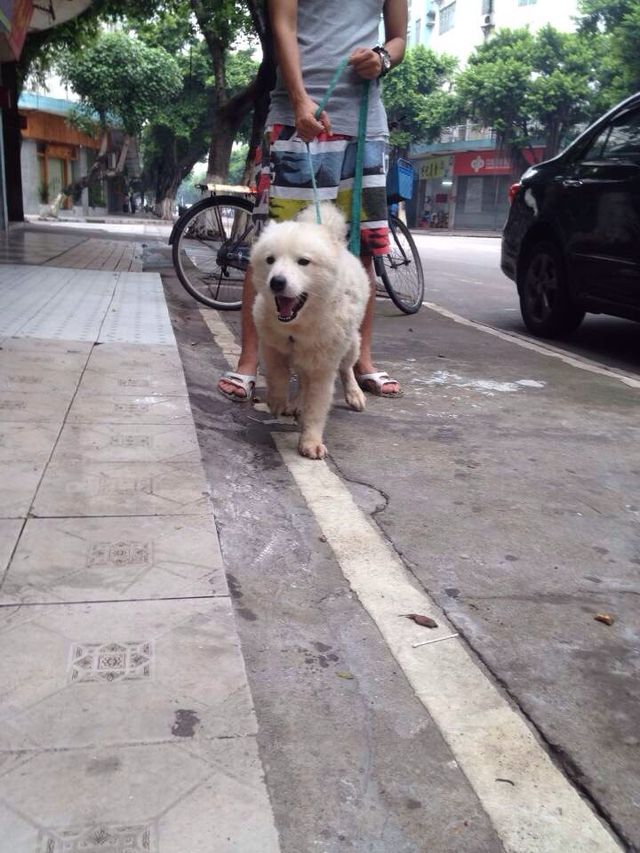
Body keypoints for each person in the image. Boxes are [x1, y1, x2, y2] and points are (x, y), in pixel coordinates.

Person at [218, 0, 408, 402]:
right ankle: (249, 360)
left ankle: (361, 358)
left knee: (360, 250)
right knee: (274, 250)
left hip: (364, 124)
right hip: (296, 117)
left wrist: (383, 59)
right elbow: (282, 24)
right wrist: (301, 100)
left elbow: (398, 40)